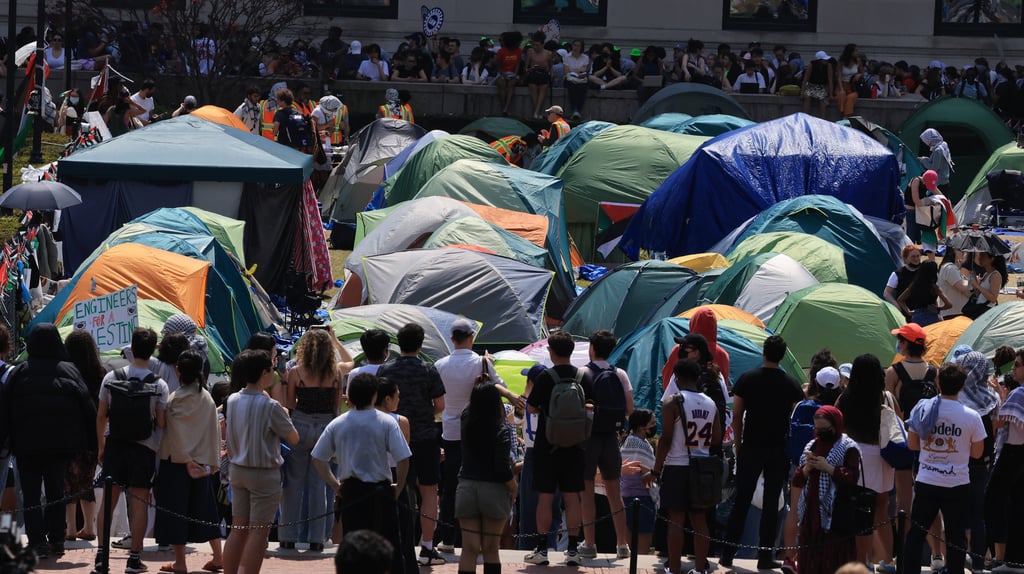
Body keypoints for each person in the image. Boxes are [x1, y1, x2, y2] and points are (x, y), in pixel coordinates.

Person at [0, 324, 96, 560]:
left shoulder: (20, 371)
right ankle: (57, 540)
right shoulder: (70, 370)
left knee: (30, 495)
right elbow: (87, 407)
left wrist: (6, 439)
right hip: (60, 445)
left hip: (26, 445)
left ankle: (36, 542)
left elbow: (5, 409)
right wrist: (91, 443)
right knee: (56, 492)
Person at [433, 318, 521, 554]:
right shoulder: (481, 362)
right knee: (479, 480)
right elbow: (498, 386)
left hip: (451, 430)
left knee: (451, 486)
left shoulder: (440, 364)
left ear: (452, 339)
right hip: (479, 429)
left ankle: (449, 538)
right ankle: (478, 539)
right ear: (471, 337)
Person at [719, 335, 804, 571]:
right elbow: (792, 416)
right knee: (771, 504)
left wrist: (738, 443)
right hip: (777, 448)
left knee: (742, 501)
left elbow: (736, 415)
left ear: (764, 352)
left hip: (752, 445)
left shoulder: (748, 379)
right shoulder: (791, 384)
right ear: (783, 355)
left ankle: (728, 553)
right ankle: (765, 556)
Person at [312, 373, 411, 574]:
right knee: (390, 547)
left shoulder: (338, 423)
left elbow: (318, 457)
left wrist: (335, 485)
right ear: (375, 395)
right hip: (381, 491)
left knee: (354, 549)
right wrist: (399, 487)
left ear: (350, 396)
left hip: (351, 491)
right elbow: (403, 458)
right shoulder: (387, 422)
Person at [93, 327, 170, 574]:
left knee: (109, 502)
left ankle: (101, 555)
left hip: (115, 444)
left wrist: (101, 447)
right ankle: (134, 559)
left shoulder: (111, 377)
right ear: (153, 351)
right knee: (139, 504)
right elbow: (160, 423)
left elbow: (101, 415)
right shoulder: (159, 385)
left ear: (131, 347)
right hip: (144, 449)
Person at [904, 364, 987, 574]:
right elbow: (977, 453)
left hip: (927, 479)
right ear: (962, 387)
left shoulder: (921, 409)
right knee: (955, 536)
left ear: (938, 383)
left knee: (917, 533)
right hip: (956, 482)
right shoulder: (972, 416)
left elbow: (912, 445)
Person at [222, 350, 299, 574]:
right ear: (265, 372)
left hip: (237, 470)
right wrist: (285, 412)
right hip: (264, 473)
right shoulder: (271, 406)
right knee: (258, 532)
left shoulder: (233, 399)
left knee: (238, 529)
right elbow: (293, 438)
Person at [279, 327, 354, 551]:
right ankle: (317, 538)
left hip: (300, 425)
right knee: (319, 484)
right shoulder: (336, 373)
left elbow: (291, 404)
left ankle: (288, 536)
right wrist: (336, 339)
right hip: (326, 427)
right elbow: (335, 407)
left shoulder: (296, 372)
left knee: (293, 482)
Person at [377, 323, 446, 566]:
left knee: (397, 489)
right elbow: (440, 405)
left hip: (391, 435)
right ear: (420, 343)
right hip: (425, 436)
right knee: (429, 491)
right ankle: (427, 546)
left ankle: (395, 544)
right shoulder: (429, 369)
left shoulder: (386, 369)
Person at [524, 330, 594, 567]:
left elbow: (532, 408)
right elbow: (593, 405)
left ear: (552, 351)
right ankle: (573, 550)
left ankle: (542, 549)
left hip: (548, 444)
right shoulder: (583, 376)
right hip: (575, 445)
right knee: (572, 497)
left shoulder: (545, 377)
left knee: (545, 497)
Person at [644, 359, 721, 574]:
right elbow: (716, 438)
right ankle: (699, 569)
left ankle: (675, 569)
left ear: (676, 378)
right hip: (702, 467)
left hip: (677, 466)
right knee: (700, 521)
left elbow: (666, 439)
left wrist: (656, 470)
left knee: (676, 521)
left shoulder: (672, 402)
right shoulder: (710, 403)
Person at [154, 351, 223, 574]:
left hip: (175, 463)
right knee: (206, 510)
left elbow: (170, 433)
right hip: (201, 465)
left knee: (176, 513)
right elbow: (214, 433)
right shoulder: (207, 399)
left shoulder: (173, 399)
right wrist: (211, 465)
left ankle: (180, 562)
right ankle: (219, 556)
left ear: (178, 371)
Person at [578, 330, 635, 560]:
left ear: (592, 347)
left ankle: (589, 543)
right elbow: (630, 409)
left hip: (588, 437)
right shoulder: (619, 373)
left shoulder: (583, 373)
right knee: (614, 491)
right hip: (611, 437)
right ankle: (623, 544)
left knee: (587, 491)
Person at [837, 355, 896, 570]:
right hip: (883, 456)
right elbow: (897, 425)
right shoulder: (885, 397)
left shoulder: (845, 398)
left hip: (855, 455)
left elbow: (838, 427)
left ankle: (863, 562)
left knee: (859, 510)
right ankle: (888, 560)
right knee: (882, 509)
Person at [454, 383, 517, 574]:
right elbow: (502, 469)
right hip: (494, 491)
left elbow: (470, 405)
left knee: (469, 548)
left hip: (467, 488)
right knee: (491, 548)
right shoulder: (500, 430)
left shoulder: (466, 421)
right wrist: (513, 488)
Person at [792, 406, 862, 574]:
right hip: (812, 512)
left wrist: (829, 468)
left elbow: (852, 476)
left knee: (834, 558)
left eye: (825, 429)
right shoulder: (813, 444)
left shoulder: (848, 447)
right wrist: (807, 469)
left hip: (837, 513)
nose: (820, 432)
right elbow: (797, 479)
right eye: (817, 428)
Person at [954, 351, 1000, 571]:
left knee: (958, 510)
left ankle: (958, 558)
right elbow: (996, 428)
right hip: (983, 462)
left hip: (959, 460)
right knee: (977, 513)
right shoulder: (992, 396)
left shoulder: (957, 396)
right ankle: (979, 562)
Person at [63, 329, 105, 543]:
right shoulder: (100, 374)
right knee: (87, 483)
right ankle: (89, 527)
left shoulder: (65, 373)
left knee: (68, 481)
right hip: (92, 436)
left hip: (69, 435)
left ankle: (70, 528)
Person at [987, 353, 1024, 573]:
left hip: (1013, 453)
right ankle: (1014, 558)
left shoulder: (1019, 393)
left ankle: (1001, 556)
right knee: (1018, 503)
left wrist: (998, 399)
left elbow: (997, 423)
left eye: (1018, 365)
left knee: (994, 500)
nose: (1013, 369)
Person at [661, 307, 731, 391]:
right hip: (713, 402)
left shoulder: (681, 349)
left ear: (693, 323)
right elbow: (723, 385)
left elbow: (667, 379)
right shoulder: (722, 354)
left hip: (682, 400)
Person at [619, 409, 657, 555]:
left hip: (626, 495)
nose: (655, 426)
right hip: (642, 498)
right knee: (642, 550)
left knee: (630, 549)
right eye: (652, 423)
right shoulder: (640, 444)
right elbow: (645, 474)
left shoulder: (630, 440)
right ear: (642, 427)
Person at [911, 170, 956, 255]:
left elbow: (941, 196)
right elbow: (916, 200)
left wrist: (942, 203)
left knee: (925, 233)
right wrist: (928, 210)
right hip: (912, 212)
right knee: (911, 237)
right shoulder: (916, 181)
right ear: (924, 179)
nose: (928, 187)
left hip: (920, 213)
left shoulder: (928, 181)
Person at [897, 260, 952, 327]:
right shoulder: (934, 287)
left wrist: (908, 312)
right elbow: (949, 304)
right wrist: (938, 308)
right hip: (932, 315)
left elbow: (900, 300)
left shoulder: (914, 285)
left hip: (917, 317)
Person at [883, 245, 922, 316]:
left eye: (918, 256)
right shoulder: (897, 274)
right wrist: (897, 306)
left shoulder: (924, 271)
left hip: (924, 311)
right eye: (913, 256)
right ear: (905, 258)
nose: (916, 259)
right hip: (907, 312)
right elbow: (887, 293)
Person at [963, 251, 1004, 319]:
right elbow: (979, 295)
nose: (980, 258)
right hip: (980, 310)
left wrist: (977, 285)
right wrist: (974, 281)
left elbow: (993, 298)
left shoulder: (995, 275)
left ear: (991, 259)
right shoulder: (986, 274)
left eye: (983, 256)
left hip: (987, 312)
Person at [524, 34, 552, 119]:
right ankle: (537, 112)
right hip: (533, 73)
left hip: (543, 74)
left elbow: (550, 67)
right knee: (533, 88)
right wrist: (530, 69)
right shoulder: (530, 51)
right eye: (534, 45)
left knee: (543, 89)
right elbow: (525, 67)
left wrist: (549, 72)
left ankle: (536, 111)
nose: (535, 47)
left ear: (542, 45)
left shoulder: (548, 53)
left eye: (537, 45)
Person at [495, 32, 523, 116]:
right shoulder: (501, 52)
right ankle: (504, 108)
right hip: (502, 73)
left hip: (513, 74)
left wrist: (514, 74)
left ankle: (506, 107)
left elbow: (518, 64)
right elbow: (499, 66)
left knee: (511, 84)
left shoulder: (519, 51)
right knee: (501, 84)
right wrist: (503, 75)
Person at [918, 129, 954, 195]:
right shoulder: (943, 144)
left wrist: (923, 160)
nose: (926, 143)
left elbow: (933, 168)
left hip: (939, 183)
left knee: (938, 203)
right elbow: (938, 162)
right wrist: (926, 159)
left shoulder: (938, 150)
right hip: (944, 181)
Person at [938, 248, 971, 319]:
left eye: (964, 249)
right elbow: (963, 289)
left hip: (956, 313)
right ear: (952, 250)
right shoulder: (950, 268)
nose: (963, 252)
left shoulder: (953, 267)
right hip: (953, 314)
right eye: (959, 249)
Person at [802, 51, 834, 118]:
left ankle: (822, 118)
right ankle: (806, 117)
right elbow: (805, 79)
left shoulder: (828, 66)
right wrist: (802, 92)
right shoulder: (811, 65)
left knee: (822, 98)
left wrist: (831, 94)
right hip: (812, 86)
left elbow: (830, 80)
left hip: (823, 86)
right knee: (807, 96)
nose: (826, 61)